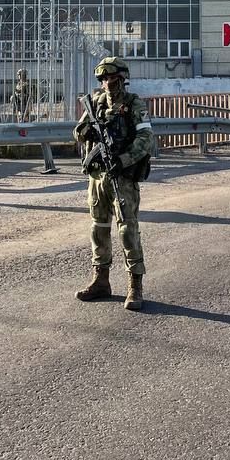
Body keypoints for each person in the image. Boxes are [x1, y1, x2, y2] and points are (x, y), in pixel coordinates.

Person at [72, 57, 156, 312]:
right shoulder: (95, 102)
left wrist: (124, 159)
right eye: (104, 79)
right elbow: (78, 130)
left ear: (122, 78)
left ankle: (135, 284)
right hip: (98, 177)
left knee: (127, 229)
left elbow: (146, 138)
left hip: (122, 176)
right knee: (98, 228)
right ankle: (101, 280)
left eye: (113, 78)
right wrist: (84, 132)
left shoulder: (133, 104)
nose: (108, 83)